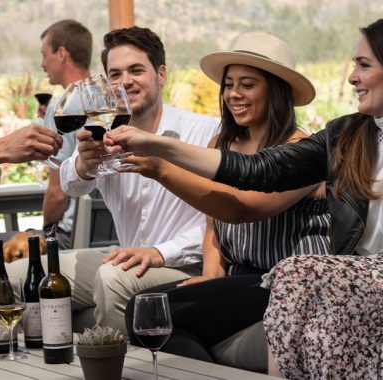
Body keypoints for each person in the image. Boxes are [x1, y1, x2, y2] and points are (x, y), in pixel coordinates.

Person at [107, 18, 383, 379]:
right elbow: (253, 172)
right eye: (229, 85)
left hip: (296, 276)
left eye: (364, 65)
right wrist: (157, 145)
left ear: (276, 91)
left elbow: (244, 205)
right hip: (309, 277)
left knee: (291, 274)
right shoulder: (346, 135)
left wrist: (159, 164)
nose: (352, 77)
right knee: (147, 310)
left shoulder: (301, 140)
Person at [59, 26, 219, 333]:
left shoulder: (204, 132)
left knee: (111, 277)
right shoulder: (104, 133)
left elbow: (221, 218)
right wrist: (84, 164)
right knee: (30, 273)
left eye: (136, 70)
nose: (125, 81)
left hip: (183, 262)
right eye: (115, 74)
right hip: (128, 254)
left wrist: (162, 252)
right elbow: (71, 185)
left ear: (161, 75)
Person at [39, 19, 92, 248]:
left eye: (44, 55)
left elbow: (57, 193)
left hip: (72, 236)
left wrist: (44, 228)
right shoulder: (111, 97)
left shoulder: (62, 106)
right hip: (114, 232)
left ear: (61, 54)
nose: (42, 64)